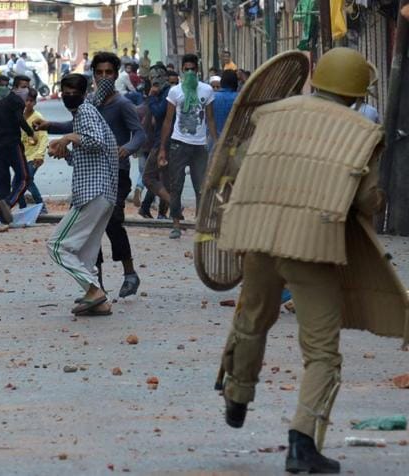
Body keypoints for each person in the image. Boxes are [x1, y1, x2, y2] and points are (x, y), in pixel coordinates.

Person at [218, 48, 385, 474]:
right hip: (311, 246)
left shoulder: (272, 114)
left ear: (317, 78)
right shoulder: (362, 132)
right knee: (322, 352)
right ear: (356, 93)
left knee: (252, 318)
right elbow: (365, 200)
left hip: (256, 236)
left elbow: (237, 163)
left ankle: (237, 394)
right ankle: (302, 441)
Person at [36, 51, 146, 298]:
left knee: (113, 221)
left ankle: (128, 272)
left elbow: (139, 134)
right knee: (91, 229)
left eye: (109, 73)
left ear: (116, 75)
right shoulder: (91, 104)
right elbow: (76, 128)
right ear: (93, 75)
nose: (104, 77)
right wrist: (51, 127)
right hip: (92, 171)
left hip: (117, 170)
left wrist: (125, 149)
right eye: (100, 72)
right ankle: (96, 285)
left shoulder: (122, 104)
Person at [46, 73, 118, 317]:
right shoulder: (82, 114)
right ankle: (99, 302)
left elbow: (95, 141)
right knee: (86, 253)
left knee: (57, 246)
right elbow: (84, 155)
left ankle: (94, 291)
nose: (68, 95)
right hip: (101, 192)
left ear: (84, 92)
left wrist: (67, 137)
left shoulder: (85, 112)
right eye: (65, 90)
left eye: (73, 91)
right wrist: (64, 151)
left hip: (92, 192)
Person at [158, 53, 217, 239]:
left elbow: (210, 119)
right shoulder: (175, 92)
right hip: (178, 143)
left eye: (193, 69)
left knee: (201, 187)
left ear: (197, 70)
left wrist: (216, 142)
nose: (190, 72)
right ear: (182, 71)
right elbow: (168, 121)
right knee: (176, 185)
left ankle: (199, 225)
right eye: (187, 69)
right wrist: (162, 148)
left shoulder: (206, 90)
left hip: (199, 145)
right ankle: (176, 224)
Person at [0, 74, 36, 224]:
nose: (26, 90)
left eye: (27, 87)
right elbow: (20, 119)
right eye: (23, 87)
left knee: (3, 181)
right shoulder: (17, 101)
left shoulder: (1, 103)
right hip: (12, 143)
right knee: (25, 177)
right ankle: (10, 202)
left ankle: (3, 218)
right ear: (15, 87)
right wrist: (31, 133)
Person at [140, 64, 172, 219]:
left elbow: (159, 112)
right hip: (159, 140)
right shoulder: (164, 93)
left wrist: (151, 96)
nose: (153, 82)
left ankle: (173, 204)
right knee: (163, 178)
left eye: (155, 78)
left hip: (163, 142)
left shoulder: (167, 94)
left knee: (148, 177)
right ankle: (165, 210)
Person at [18, 88, 48, 214]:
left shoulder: (37, 118)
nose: (28, 103)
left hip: (34, 155)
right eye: (27, 100)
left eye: (31, 101)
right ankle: (22, 208)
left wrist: (40, 155)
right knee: (19, 183)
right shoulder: (19, 116)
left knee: (27, 180)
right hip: (21, 155)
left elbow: (43, 137)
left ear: (35, 102)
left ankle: (42, 207)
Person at [211, 70, 239, 139]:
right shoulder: (239, 98)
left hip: (214, 139)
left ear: (221, 82)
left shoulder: (212, 98)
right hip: (233, 139)